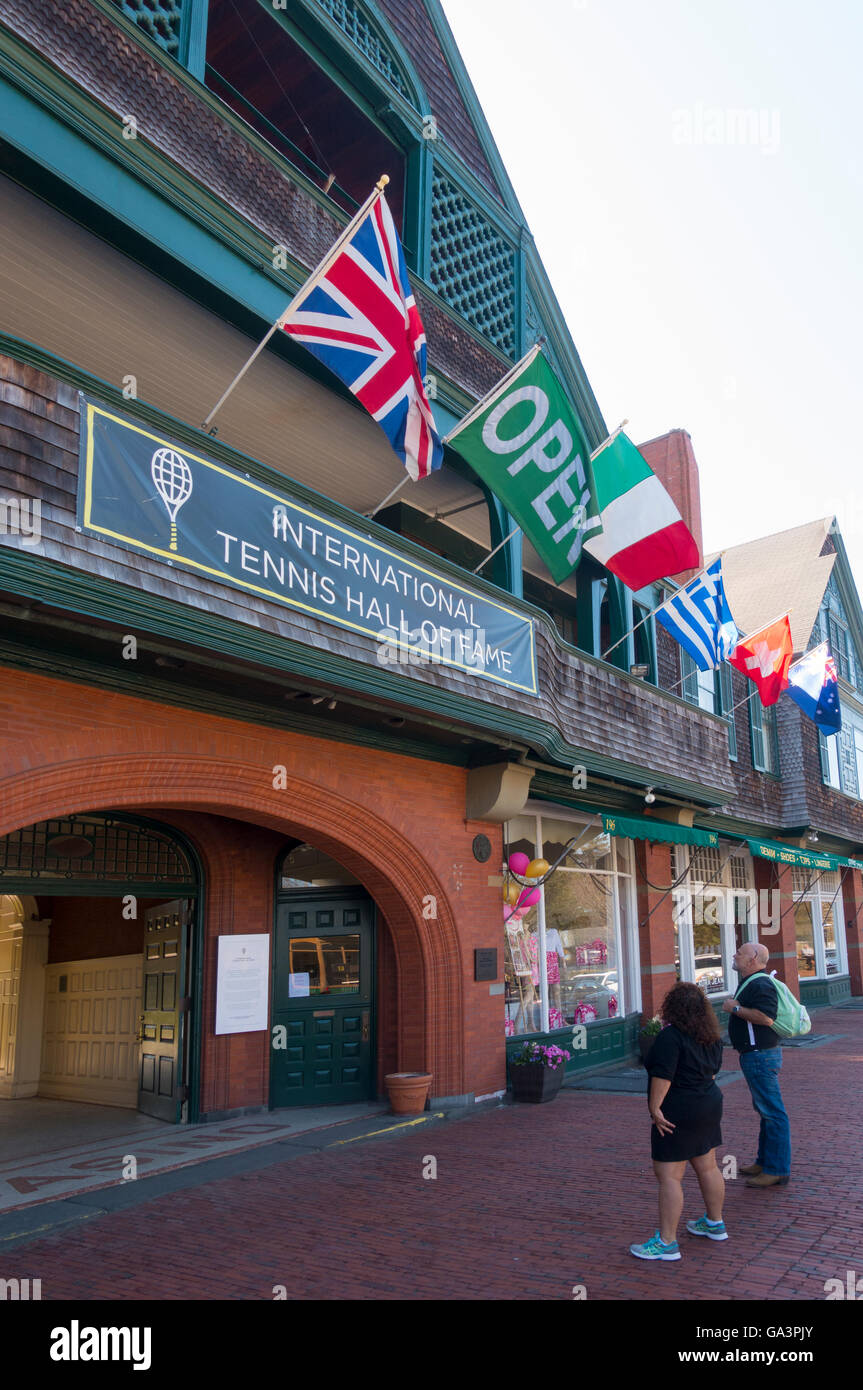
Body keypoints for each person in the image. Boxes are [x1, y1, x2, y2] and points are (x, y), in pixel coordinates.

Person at [630, 981, 727, 1261]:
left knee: (670, 1176)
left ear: (672, 1007)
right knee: (708, 1166)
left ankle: (667, 1243)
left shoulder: (670, 1037)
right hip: (708, 1103)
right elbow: (711, 1074)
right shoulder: (711, 1036)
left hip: (678, 1109)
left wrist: (655, 1109)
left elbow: (663, 1076)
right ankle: (714, 1223)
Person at [722, 941, 790, 1188]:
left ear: (753, 959)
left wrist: (735, 1007)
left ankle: (777, 1169)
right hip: (756, 1055)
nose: (734, 955)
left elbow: (766, 1017)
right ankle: (764, 1161)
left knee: (773, 1112)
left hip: (760, 1055)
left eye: (739, 953)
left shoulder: (761, 983)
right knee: (766, 1111)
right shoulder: (752, 982)